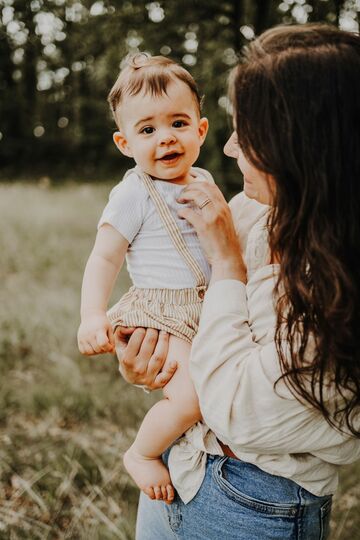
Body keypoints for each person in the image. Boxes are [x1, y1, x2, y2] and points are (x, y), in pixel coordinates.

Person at [115, 24, 360, 539]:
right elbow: (193, 321)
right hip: (181, 463)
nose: (227, 149)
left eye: (249, 137)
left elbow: (240, 409)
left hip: (257, 503)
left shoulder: (339, 279)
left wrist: (228, 265)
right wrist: (150, 357)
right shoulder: (253, 212)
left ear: (306, 152)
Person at [77, 54, 212, 504]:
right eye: (148, 130)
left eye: (178, 122)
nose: (166, 138)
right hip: (162, 312)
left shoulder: (205, 181)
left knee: (216, 389)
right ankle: (141, 453)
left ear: (201, 129)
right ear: (124, 142)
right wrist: (92, 315)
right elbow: (103, 258)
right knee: (191, 397)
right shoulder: (133, 192)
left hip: (207, 305)